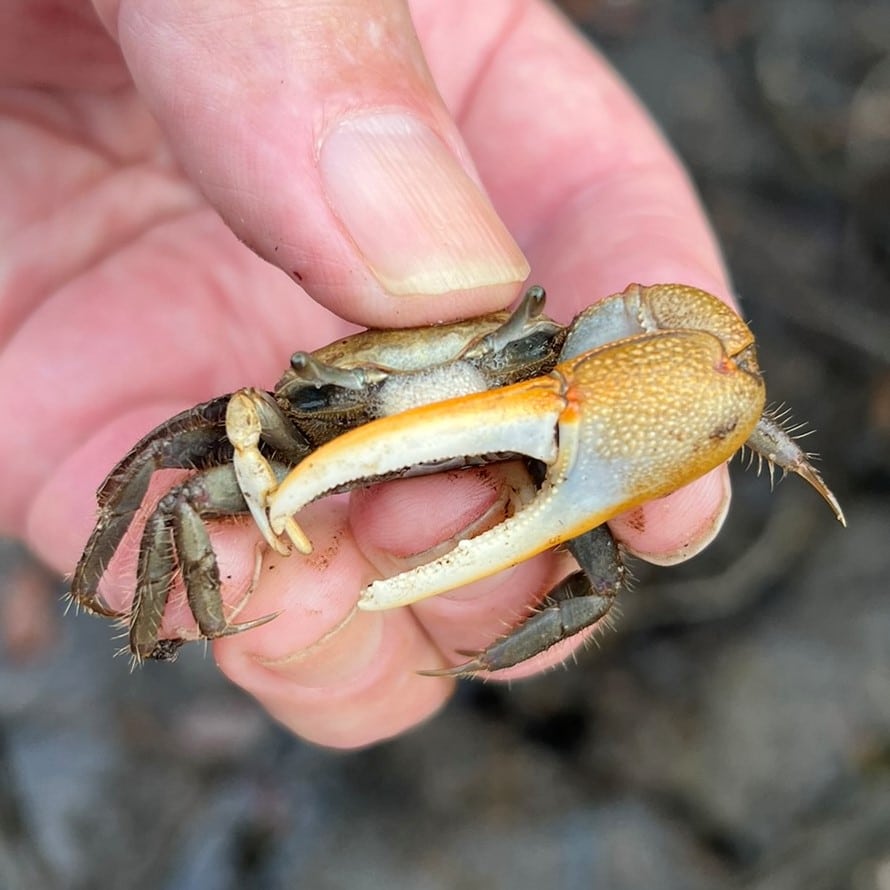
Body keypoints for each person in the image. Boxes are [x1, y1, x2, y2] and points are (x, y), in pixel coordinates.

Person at [0, 0, 736, 748]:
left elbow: (716, 354)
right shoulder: (275, 425)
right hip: (328, 424)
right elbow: (167, 474)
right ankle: (160, 618)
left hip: (534, 399)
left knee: (602, 563)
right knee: (178, 504)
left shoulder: (560, 353)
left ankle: (475, 669)